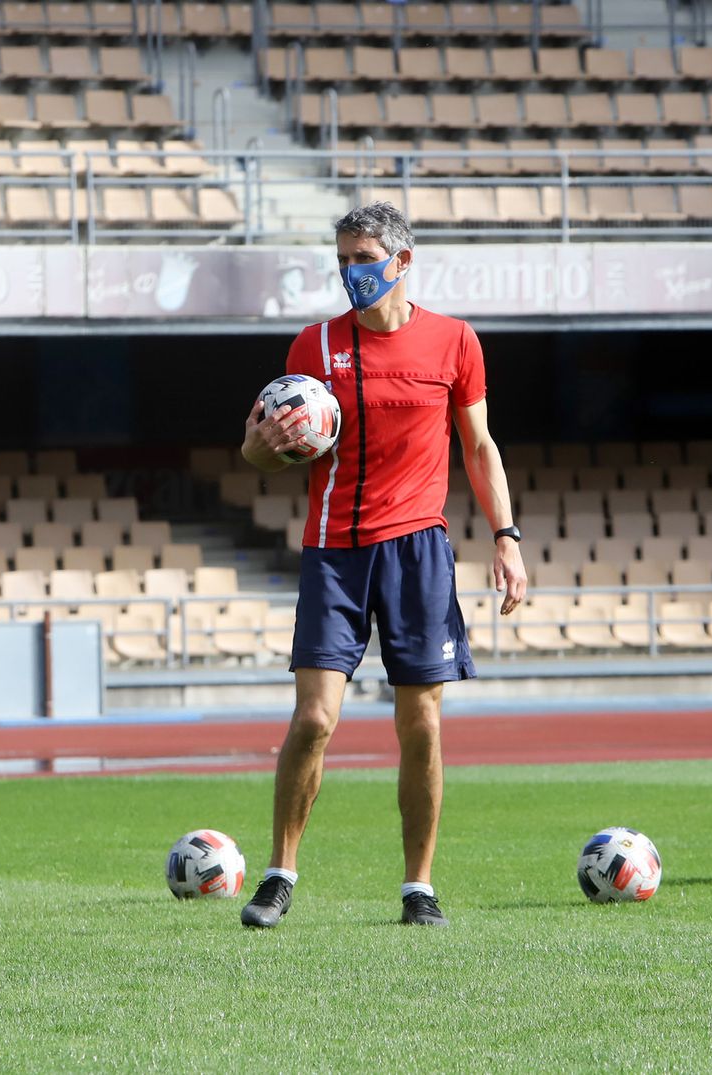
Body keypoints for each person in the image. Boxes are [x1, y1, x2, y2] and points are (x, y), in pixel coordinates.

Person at [237, 202, 528, 929]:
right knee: (314, 718)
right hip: (334, 550)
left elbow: (479, 446)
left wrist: (506, 535)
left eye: (363, 258)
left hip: (418, 551)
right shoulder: (314, 346)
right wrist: (259, 446)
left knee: (421, 723)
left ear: (402, 261)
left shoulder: (455, 341)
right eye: (342, 260)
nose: (351, 272)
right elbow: (267, 453)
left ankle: (417, 888)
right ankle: (279, 875)